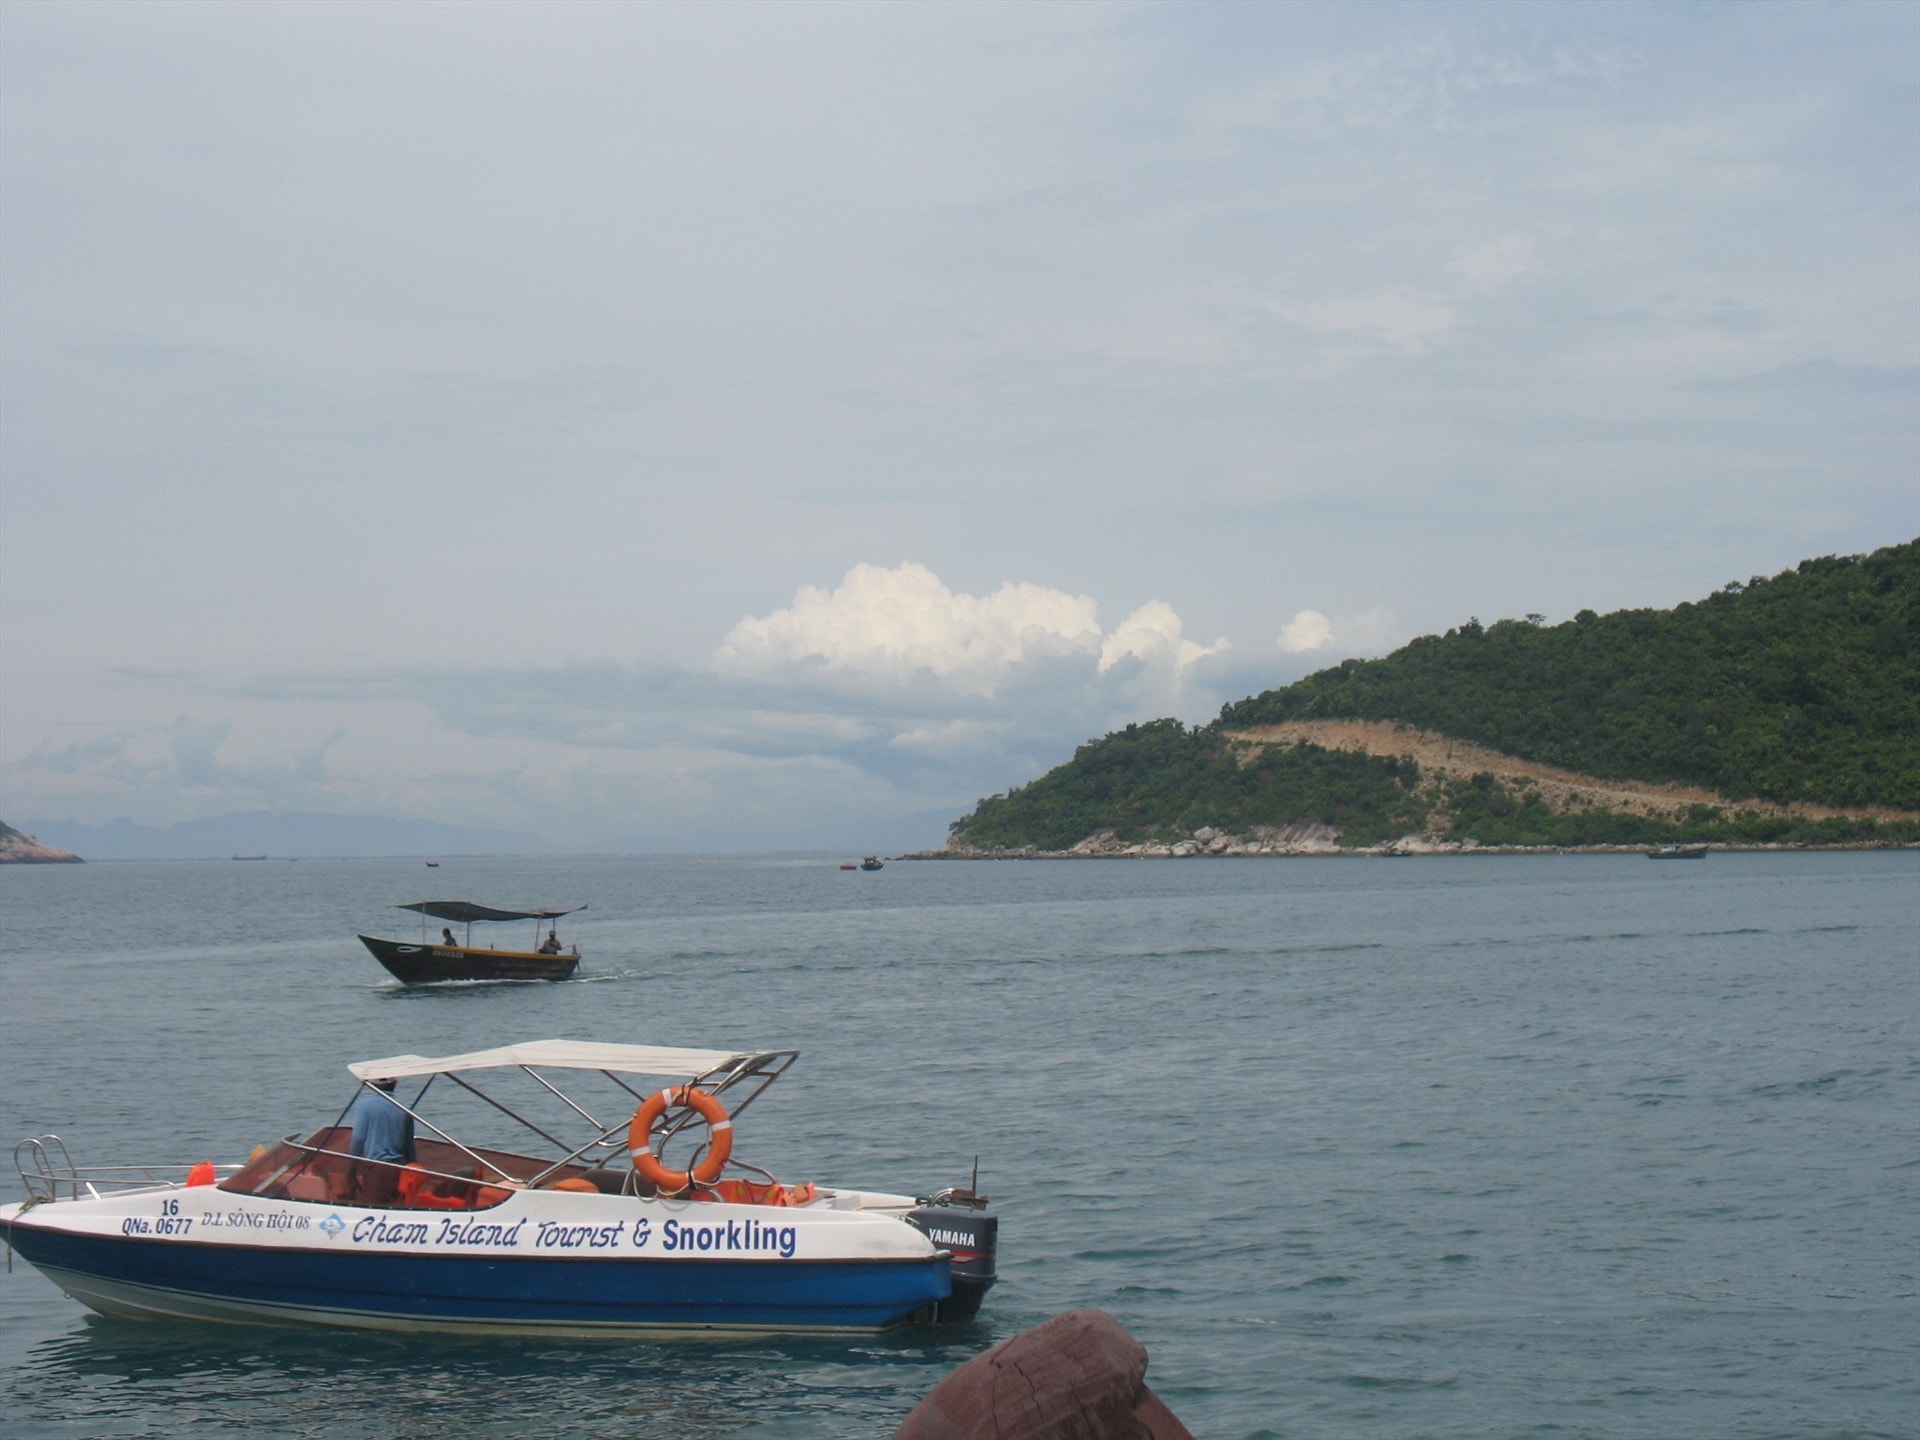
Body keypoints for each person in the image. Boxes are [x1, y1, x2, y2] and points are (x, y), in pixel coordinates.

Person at [348, 1077, 416, 1207]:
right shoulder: (404, 1109)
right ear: (395, 1084)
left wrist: (352, 1164)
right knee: (395, 1207)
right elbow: (409, 1147)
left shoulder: (365, 1106)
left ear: (374, 1085)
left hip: (377, 1168)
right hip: (399, 1168)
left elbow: (358, 1139)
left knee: (372, 1208)